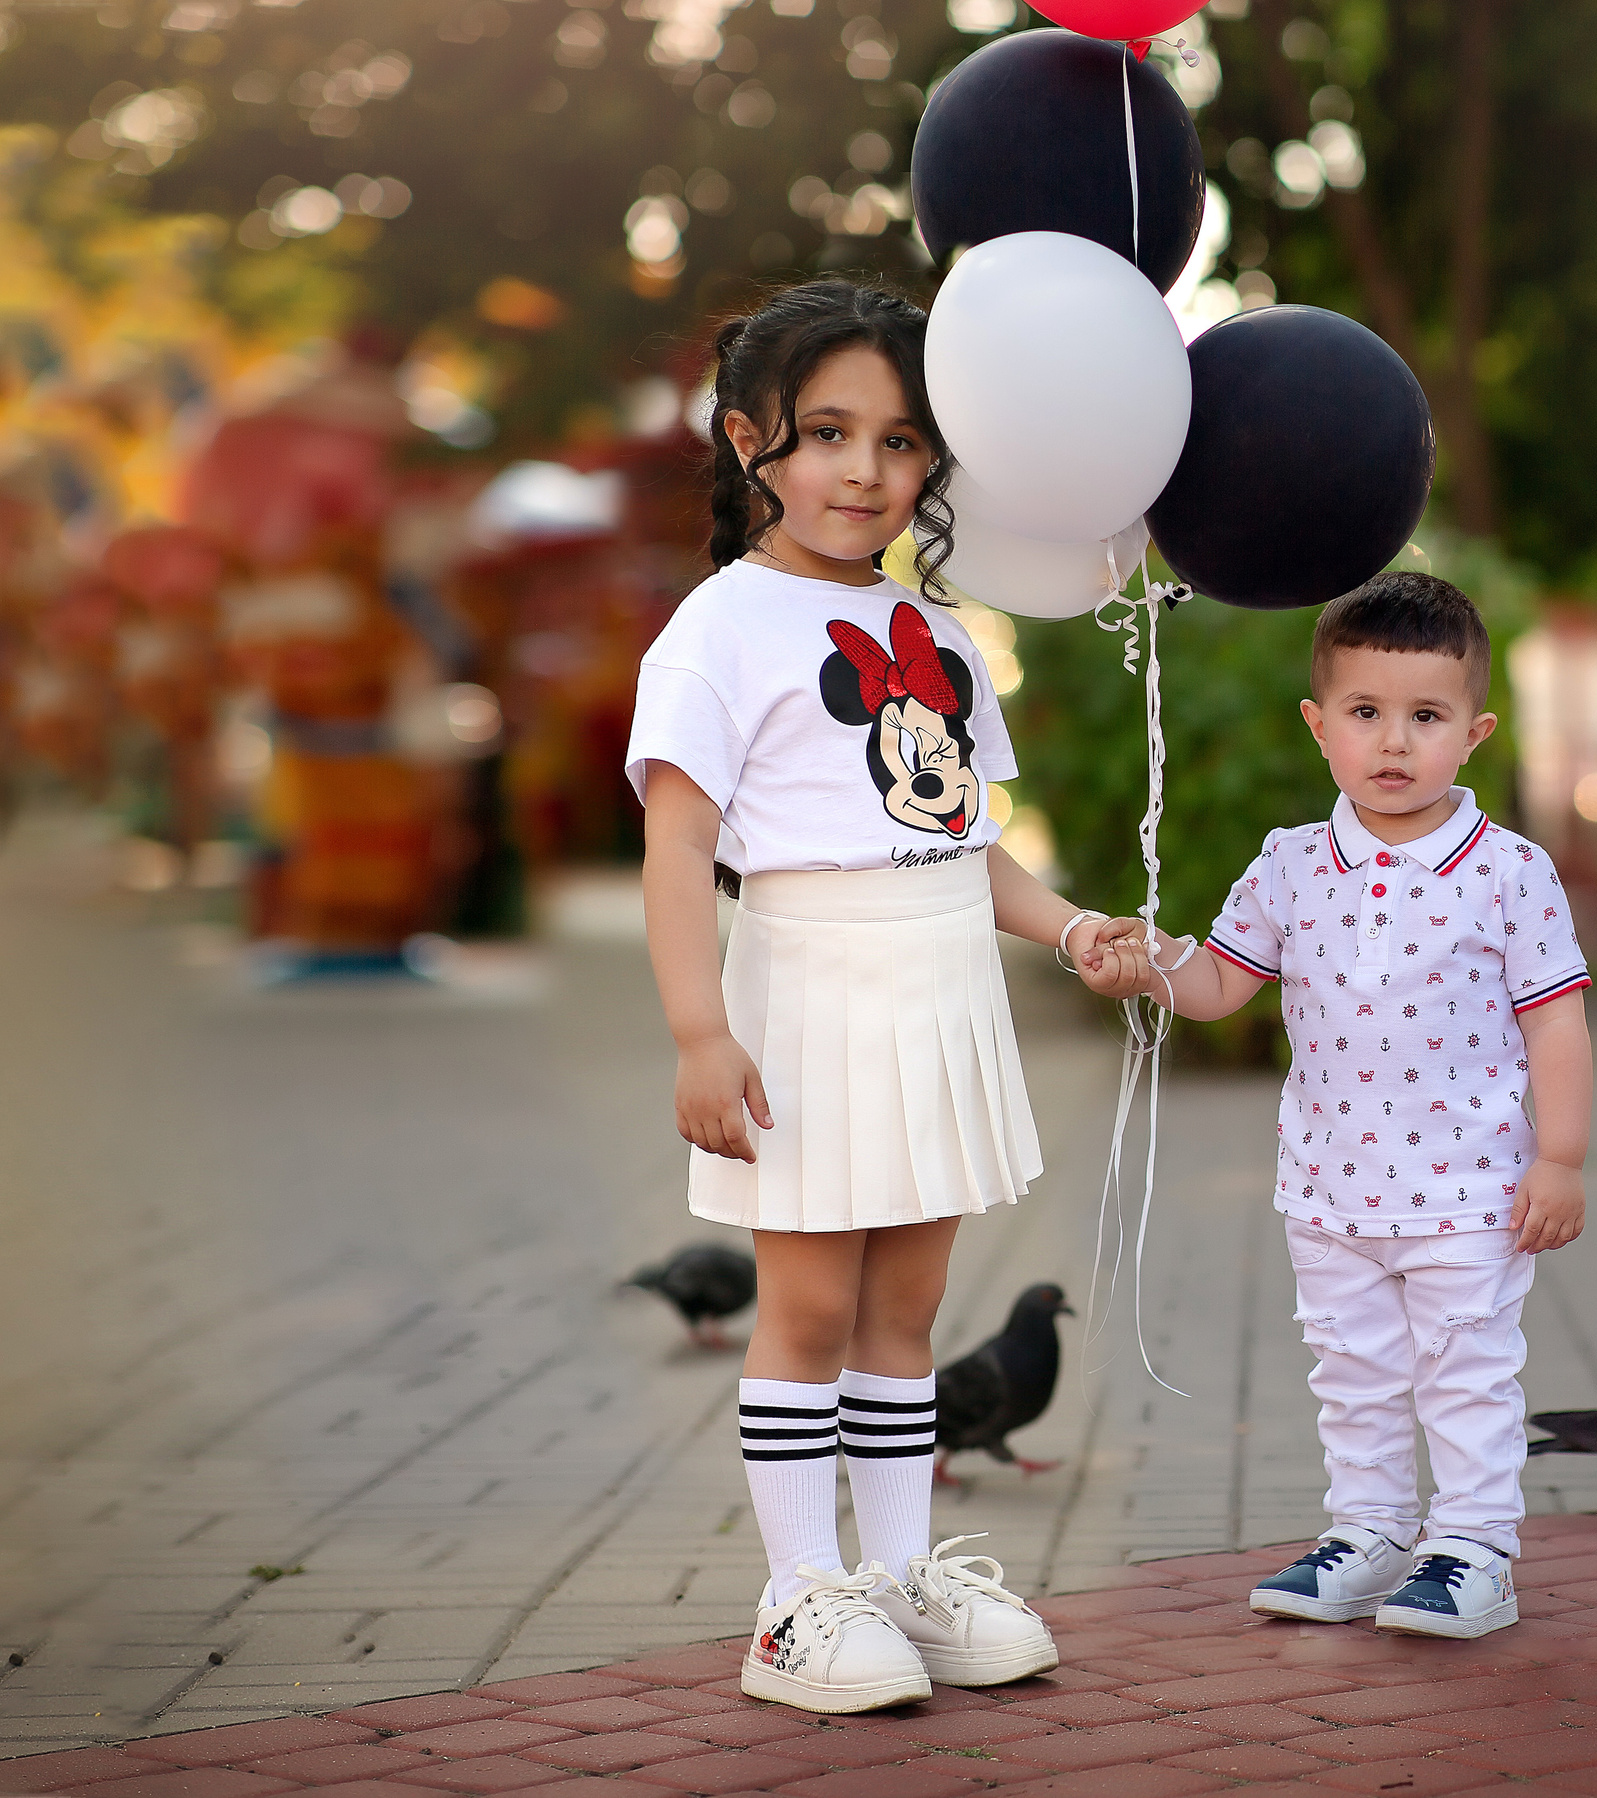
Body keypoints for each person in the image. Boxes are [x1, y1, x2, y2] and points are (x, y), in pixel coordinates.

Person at [626, 279, 1149, 1714]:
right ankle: (797, 1603)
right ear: (751, 442)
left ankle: (905, 1575)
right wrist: (697, 1030)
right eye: (827, 432)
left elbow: (971, 846)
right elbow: (674, 845)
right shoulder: (717, 631)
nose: (866, 469)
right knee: (802, 1307)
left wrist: (1077, 927)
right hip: (807, 991)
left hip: (941, 992)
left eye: (903, 439)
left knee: (909, 1307)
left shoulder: (950, 636)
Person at [1134, 572, 1593, 1640]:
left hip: (1469, 1193)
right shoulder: (1292, 865)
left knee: (1466, 1376)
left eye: (1425, 718)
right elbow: (1217, 986)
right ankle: (1372, 1530)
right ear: (1319, 725)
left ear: (1473, 732)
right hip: (1328, 1188)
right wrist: (1149, 963)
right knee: (1355, 1376)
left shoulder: (1509, 874)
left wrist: (1559, 1157)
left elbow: (1555, 1022)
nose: (1395, 743)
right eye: (1366, 714)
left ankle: (1474, 1547)